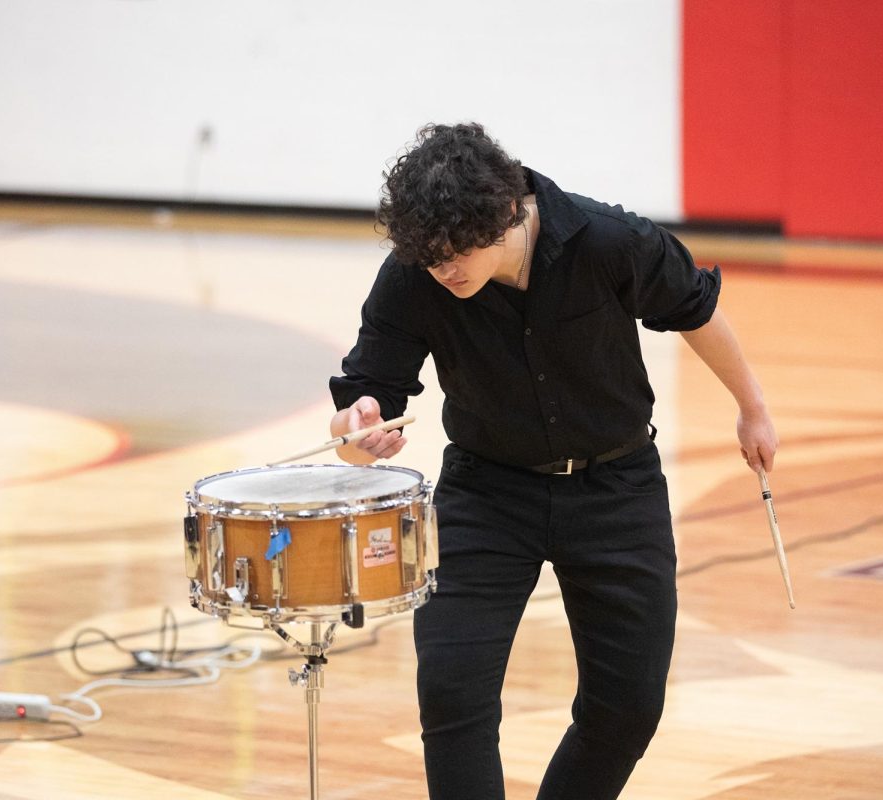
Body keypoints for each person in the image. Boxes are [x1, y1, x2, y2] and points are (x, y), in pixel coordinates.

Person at [328, 122, 777, 800]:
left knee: (627, 707)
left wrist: (753, 407)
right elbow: (362, 401)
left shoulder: (608, 241)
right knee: (451, 696)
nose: (444, 267)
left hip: (616, 489)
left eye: (457, 250)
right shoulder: (417, 273)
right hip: (485, 495)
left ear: (508, 214)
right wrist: (356, 429)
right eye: (429, 255)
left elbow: (695, 306)